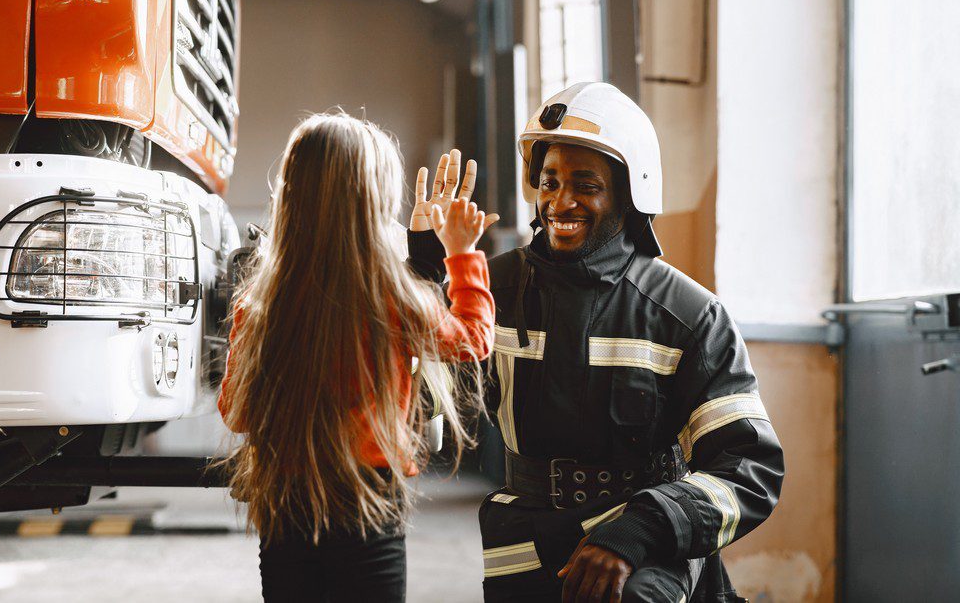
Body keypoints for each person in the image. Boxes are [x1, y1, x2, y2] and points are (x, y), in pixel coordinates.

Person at [408, 83, 784, 602]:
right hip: (524, 548)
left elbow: (749, 469)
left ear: (629, 193)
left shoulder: (688, 316)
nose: (561, 201)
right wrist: (429, 272)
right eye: (550, 181)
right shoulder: (493, 291)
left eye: (585, 185)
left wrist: (638, 531)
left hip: (647, 552)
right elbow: (420, 409)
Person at [217, 113, 497, 602]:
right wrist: (462, 253)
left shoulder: (258, 305)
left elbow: (236, 414)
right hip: (370, 507)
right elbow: (472, 338)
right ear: (372, 206)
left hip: (285, 508)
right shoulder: (394, 299)